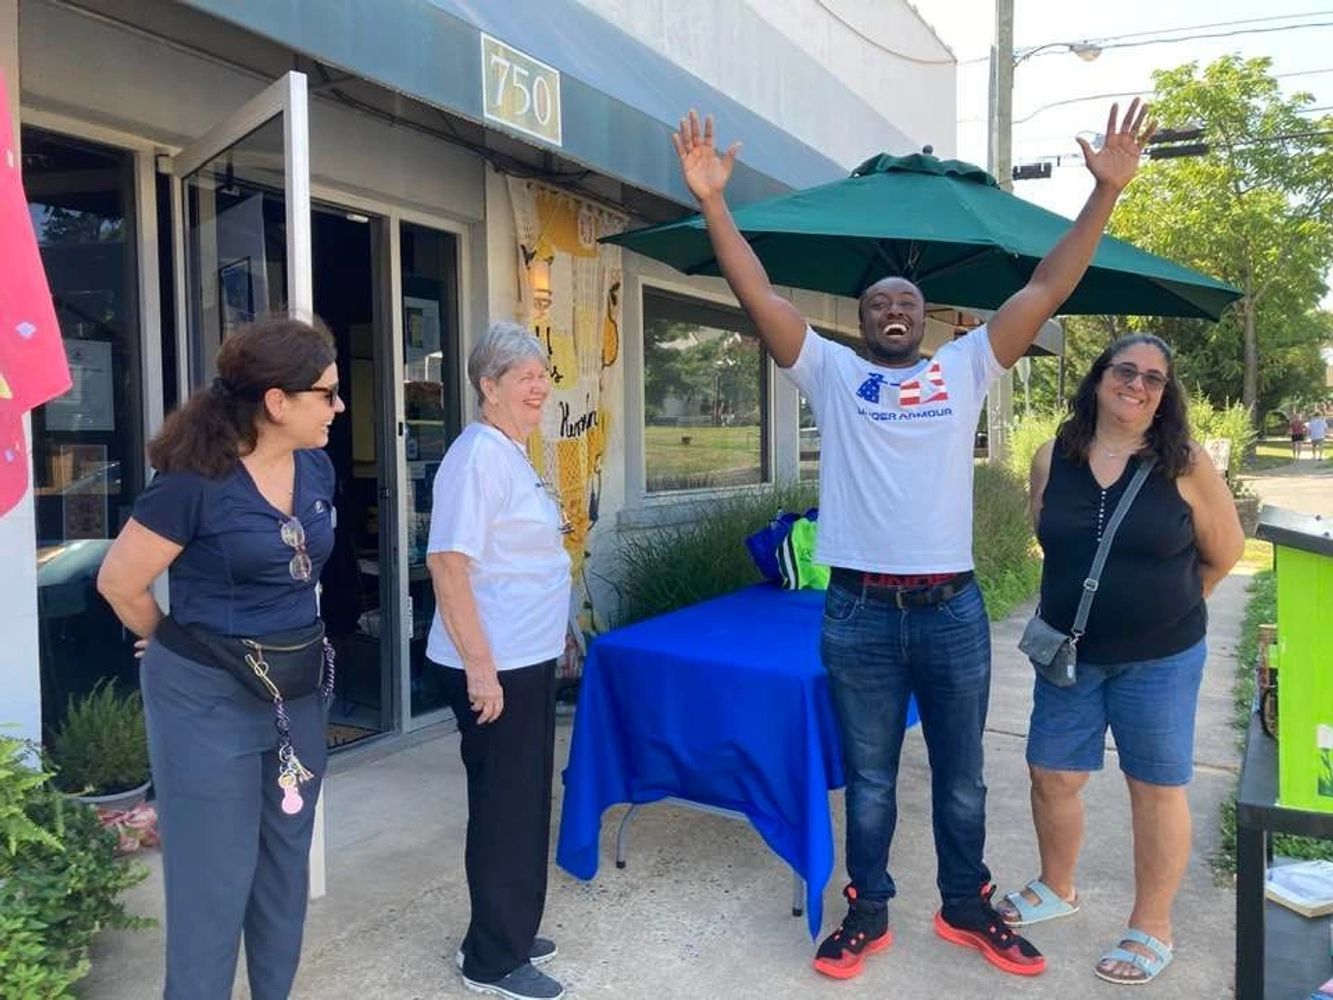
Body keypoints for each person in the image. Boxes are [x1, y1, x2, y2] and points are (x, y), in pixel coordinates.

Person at [672, 102, 1155, 981]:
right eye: (877, 303)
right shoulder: (830, 370)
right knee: (868, 780)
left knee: (963, 777)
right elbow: (757, 292)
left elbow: (1047, 288)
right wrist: (714, 203)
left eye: (906, 301)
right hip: (857, 610)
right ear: (859, 320)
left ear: (926, 319)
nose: (892, 309)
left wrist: (1103, 196)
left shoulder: (963, 367)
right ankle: (868, 909)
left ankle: (967, 906)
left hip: (950, 610)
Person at [96, 316, 344, 999]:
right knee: (213, 881)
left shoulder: (315, 464)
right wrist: (177, 643)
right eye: (326, 393)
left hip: (294, 695)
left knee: (283, 872)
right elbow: (120, 581)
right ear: (276, 402)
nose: (338, 406)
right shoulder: (193, 481)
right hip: (206, 704)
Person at [996, 334, 1244, 985]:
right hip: (1068, 652)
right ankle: (1057, 886)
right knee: (1050, 773)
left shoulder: (1184, 463)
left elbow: (1223, 552)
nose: (1136, 385)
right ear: (1099, 378)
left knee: (1155, 788)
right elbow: (1048, 537)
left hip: (1160, 660)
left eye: (1152, 379)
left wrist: (1166, 612)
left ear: (1165, 395)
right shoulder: (1053, 456)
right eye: (1124, 370)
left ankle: (1151, 925)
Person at [427, 322, 573, 1000]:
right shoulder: (477, 456)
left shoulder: (511, 452)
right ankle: (492, 960)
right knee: (505, 808)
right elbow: (448, 565)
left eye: (542, 374)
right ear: (488, 387)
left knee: (519, 801)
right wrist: (481, 669)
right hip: (495, 668)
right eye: (523, 376)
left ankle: (505, 925)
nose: (539, 385)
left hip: (524, 659)